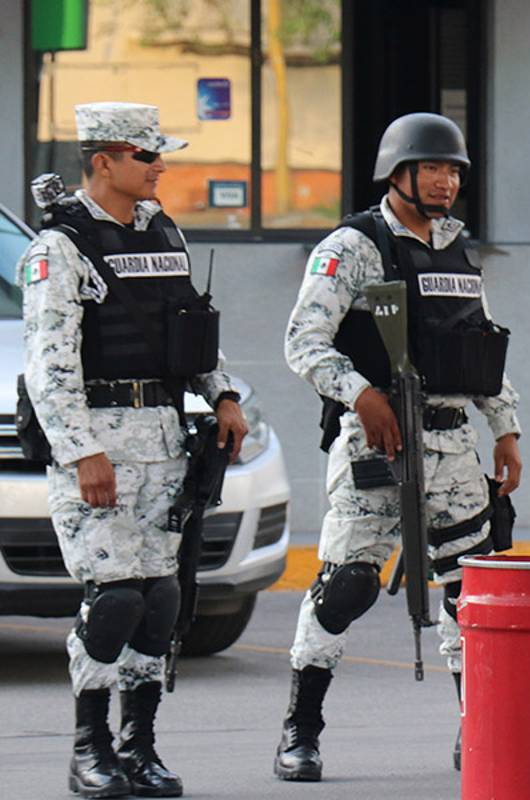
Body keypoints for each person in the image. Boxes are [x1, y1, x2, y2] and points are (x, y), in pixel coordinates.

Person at [276, 112, 522, 780]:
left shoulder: (456, 249)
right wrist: (361, 394)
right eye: (432, 169)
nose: (445, 182)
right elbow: (304, 342)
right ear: (399, 173)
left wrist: (507, 428)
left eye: (453, 172)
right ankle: (300, 731)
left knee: (467, 592)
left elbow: (482, 347)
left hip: (454, 444)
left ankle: (478, 728)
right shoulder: (353, 246)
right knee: (346, 586)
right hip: (376, 441)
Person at [19, 102, 248, 798]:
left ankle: (138, 747)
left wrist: (226, 393)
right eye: (148, 157)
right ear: (104, 162)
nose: (160, 168)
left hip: (164, 444)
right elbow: (48, 365)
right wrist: (80, 451)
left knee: (159, 598)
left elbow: (190, 332)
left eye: (160, 157)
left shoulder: (163, 232)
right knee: (113, 597)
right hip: (100, 445)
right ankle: (89, 749)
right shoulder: (58, 249)